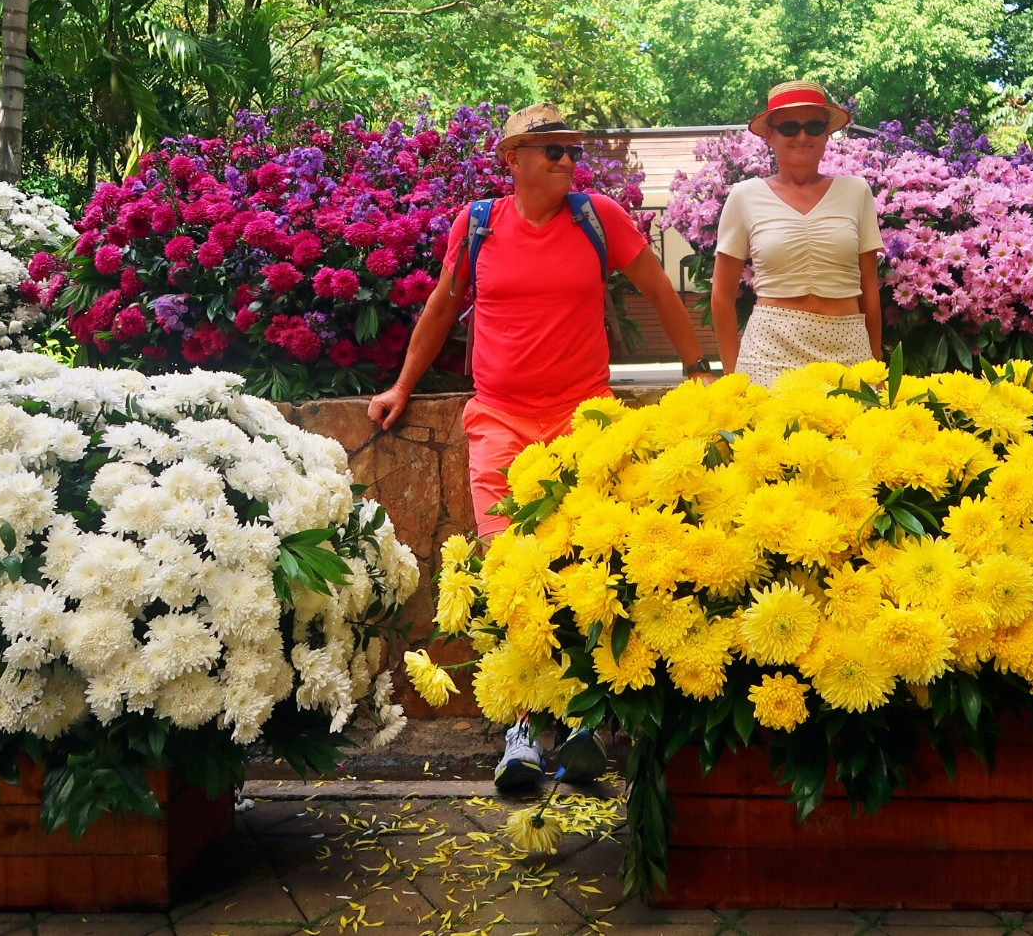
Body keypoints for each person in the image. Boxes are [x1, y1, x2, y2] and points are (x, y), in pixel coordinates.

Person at [368, 102, 710, 792]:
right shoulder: (479, 224)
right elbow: (441, 305)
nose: (564, 160)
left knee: (588, 564)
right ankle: (522, 726)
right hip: (498, 420)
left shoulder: (599, 217)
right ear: (512, 159)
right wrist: (403, 385)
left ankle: (583, 720)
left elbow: (659, 289)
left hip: (583, 420)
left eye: (568, 150)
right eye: (548, 149)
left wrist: (697, 370)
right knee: (511, 572)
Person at [711, 80, 883, 387]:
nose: (802, 136)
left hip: (848, 348)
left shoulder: (856, 191)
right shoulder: (744, 196)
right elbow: (722, 294)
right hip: (769, 351)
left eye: (814, 127)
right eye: (789, 127)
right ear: (770, 135)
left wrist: (876, 363)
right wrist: (730, 375)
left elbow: (870, 288)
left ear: (826, 135)